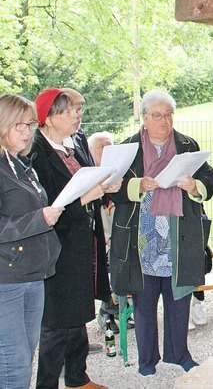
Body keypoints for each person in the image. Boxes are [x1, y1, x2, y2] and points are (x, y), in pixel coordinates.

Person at [108, 90, 213, 376]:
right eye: (156, 115)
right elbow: (110, 187)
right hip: (140, 238)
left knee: (179, 298)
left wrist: (195, 186)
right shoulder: (128, 147)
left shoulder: (186, 144)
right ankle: (147, 359)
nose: (163, 121)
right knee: (144, 303)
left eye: (168, 115)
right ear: (144, 118)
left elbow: (210, 178)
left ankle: (178, 353)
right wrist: (138, 186)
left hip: (178, 236)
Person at [31, 88, 113, 389]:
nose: (77, 115)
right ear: (49, 118)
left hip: (82, 240)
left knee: (78, 313)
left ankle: (78, 378)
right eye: (69, 111)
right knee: (55, 321)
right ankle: (47, 384)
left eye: (78, 109)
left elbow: (86, 177)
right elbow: (43, 207)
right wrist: (84, 198)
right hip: (55, 246)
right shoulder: (36, 152)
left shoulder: (75, 142)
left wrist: (103, 187)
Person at [0, 94, 63, 388]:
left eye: (29, 125)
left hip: (34, 273)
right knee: (14, 363)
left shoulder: (21, 164)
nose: (26, 132)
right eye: (18, 125)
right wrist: (40, 219)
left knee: (25, 357)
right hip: (7, 278)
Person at [88, 131, 135, 335]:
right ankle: (107, 310)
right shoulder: (87, 177)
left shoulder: (119, 176)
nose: (108, 151)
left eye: (110, 147)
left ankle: (120, 308)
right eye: (102, 147)